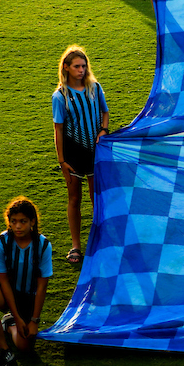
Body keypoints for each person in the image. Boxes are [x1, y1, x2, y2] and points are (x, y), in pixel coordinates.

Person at [0, 197, 52, 366]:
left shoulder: (43, 245)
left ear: (32, 222)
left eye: (23, 221)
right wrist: (18, 315)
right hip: (4, 290)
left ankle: (10, 324)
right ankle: (4, 350)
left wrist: (34, 320)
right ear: (9, 222)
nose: (18, 226)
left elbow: (42, 286)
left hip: (27, 295)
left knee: (25, 346)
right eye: (14, 222)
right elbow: (3, 280)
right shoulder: (1, 242)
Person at [52, 45, 109, 266]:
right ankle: (76, 245)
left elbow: (105, 111)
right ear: (66, 68)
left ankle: (100, 240)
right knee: (74, 199)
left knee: (97, 198)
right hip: (73, 154)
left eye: (84, 66)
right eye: (77, 66)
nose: (81, 70)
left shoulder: (95, 88)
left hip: (96, 152)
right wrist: (62, 161)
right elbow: (58, 129)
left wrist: (103, 130)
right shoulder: (60, 96)